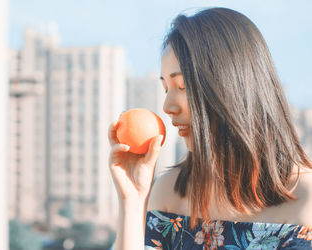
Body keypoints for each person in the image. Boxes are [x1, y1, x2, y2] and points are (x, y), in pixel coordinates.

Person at [108, 7, 312, 250]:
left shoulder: (305, 201)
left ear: (231, 86)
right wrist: (132, 201)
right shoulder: (169, 193)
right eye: (165, 88)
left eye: (182, 86)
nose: (167, 106)